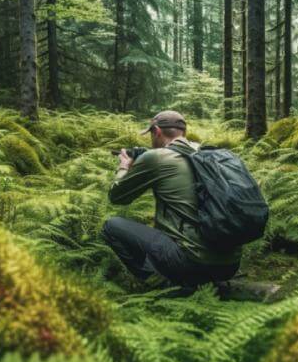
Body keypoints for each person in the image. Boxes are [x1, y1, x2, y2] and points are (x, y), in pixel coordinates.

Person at [102, 110, 240, 287]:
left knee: (111, 226)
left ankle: (161, 284)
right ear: (184, 132)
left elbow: (117, 197)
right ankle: (208, 282)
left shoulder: (156, 157)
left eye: (151, 134)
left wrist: (123, 167)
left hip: (189, 262)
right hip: (230, 265)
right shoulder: (206, 154)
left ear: (157, 131)